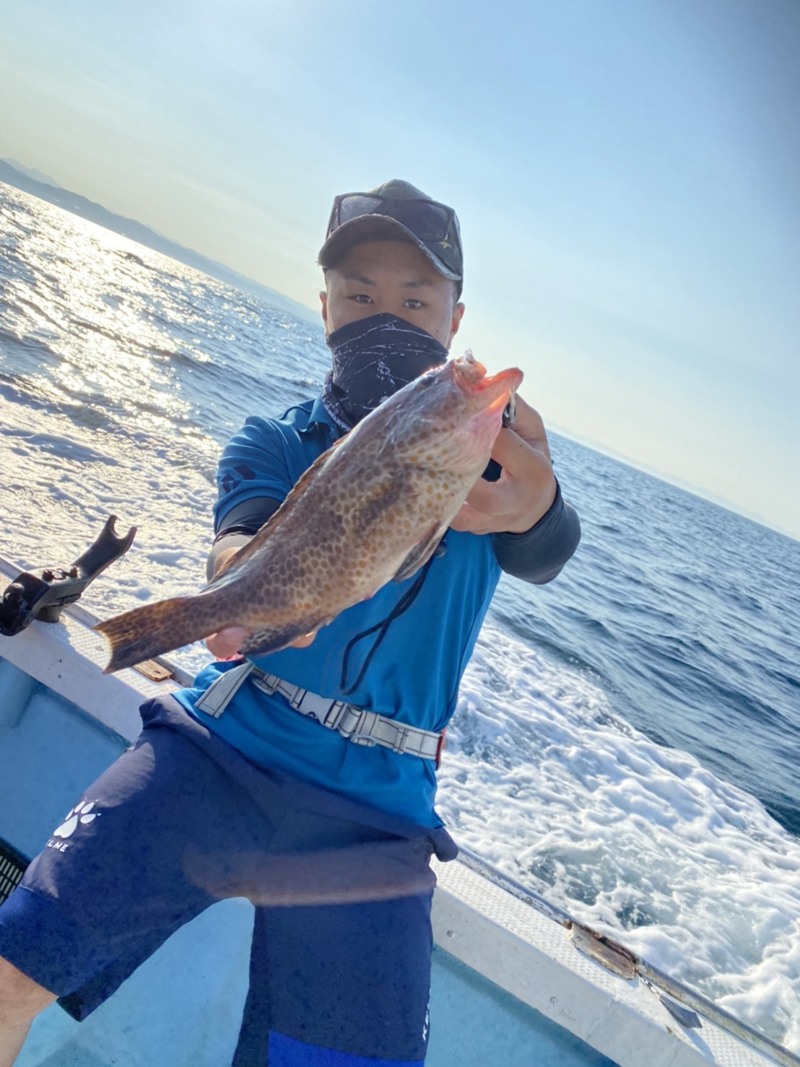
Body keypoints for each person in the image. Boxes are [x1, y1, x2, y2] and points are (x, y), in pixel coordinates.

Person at [0, 180, 581, 1066]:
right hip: (219, 747)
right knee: (10, 967)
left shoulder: (497, 455)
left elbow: (547, 546)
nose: (386, 315)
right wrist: (246, 598)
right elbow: (236, 545)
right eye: (359, 295)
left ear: (456, 318)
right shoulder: (271, 439)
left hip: (375, 819)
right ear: (324, 307)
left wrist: (535, 506)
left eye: (417, 299)